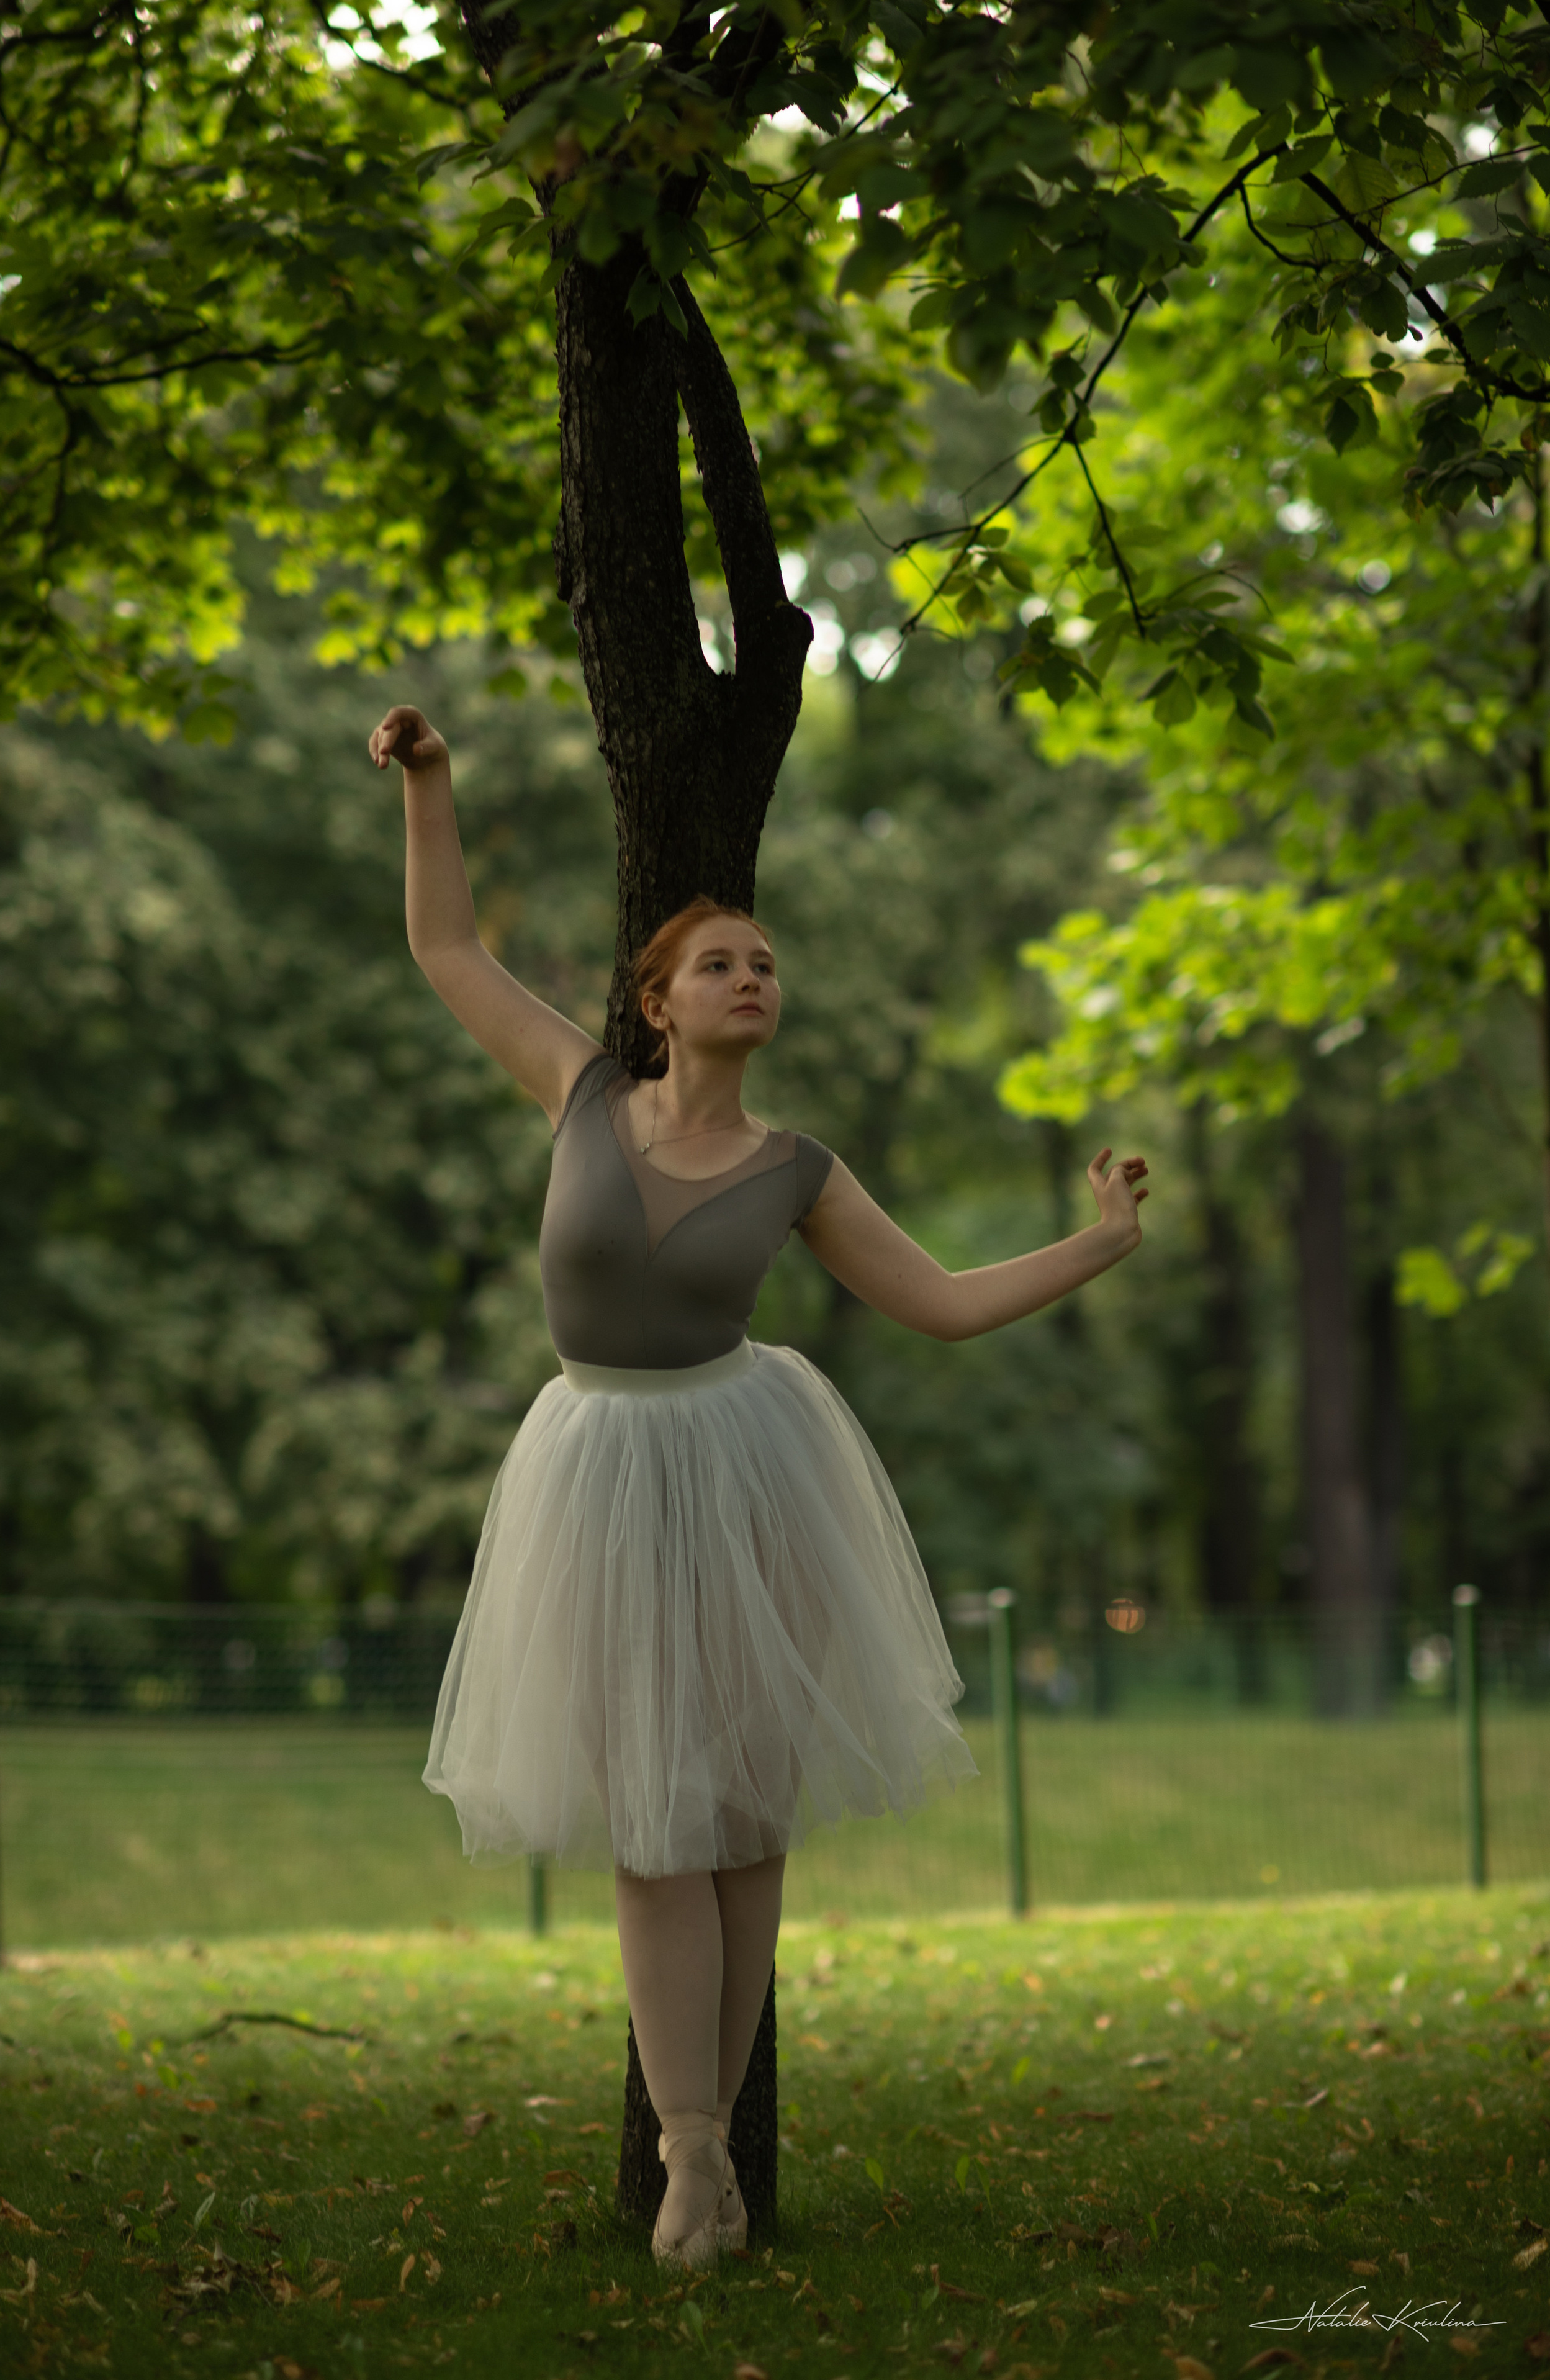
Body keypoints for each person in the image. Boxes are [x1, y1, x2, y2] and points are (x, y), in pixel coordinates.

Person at [369, 701, 1150, 2271]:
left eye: (767, 962)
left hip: (741, 1474)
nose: (752, 976)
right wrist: (431, 786)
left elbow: (934, 1300)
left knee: (736, 1825)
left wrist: (1102, 1243)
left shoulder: (797, 1168)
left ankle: (709, 2160)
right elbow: (448, 953)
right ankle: (693, 2157)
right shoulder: (581, 1093)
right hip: (594, 1470)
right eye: (722, 959)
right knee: (650, 1831)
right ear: (656, 1004)